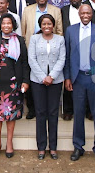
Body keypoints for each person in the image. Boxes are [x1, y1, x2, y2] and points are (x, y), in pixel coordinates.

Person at [64, 5, 95, 164]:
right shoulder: (70, 30)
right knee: (78, 113)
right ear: (79, 14)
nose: (85, 15)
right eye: (82, 12)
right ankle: (78, 146)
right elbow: (67, 56)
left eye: (88, 13)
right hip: (78, 79)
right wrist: (68, 77)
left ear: (92, 14)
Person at [0, 13, 29, 158]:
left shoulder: (19, 40)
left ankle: (9, 143)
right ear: (0, 25)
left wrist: (25, 81)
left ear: (13, 25)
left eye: (9, 23)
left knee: (11, 116)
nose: (6, 26)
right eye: (4, 23)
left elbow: (24, 63)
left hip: (13, 84)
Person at [21, 0, 63, 119]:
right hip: (32, 50)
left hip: (52, 51)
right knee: (32, 80)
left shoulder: (56, 10)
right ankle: (32, 109)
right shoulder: (28, 10)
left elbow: (60, 31)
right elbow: (23, 31)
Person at [28, 13, 66, 160]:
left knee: (53, 113)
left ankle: (54, 147)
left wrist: (52, 76)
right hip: (38, 81)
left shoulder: (60, 39)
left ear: (53, 25)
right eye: (43, 24)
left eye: (49, 24)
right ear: (40, 26)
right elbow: (31, 59)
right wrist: (43, 77)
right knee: (40, 113)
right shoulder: (34, 39)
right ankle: (42, 147)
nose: (46, 26)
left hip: (55, 81)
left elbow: (62, 59)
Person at [59, 0, 84, 121]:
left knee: (85, 80)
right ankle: (68, 110)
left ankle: (87, 110)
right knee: (68, 77)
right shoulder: (63, 10)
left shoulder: (87, 10)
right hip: (68, 47)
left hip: (85, 48)